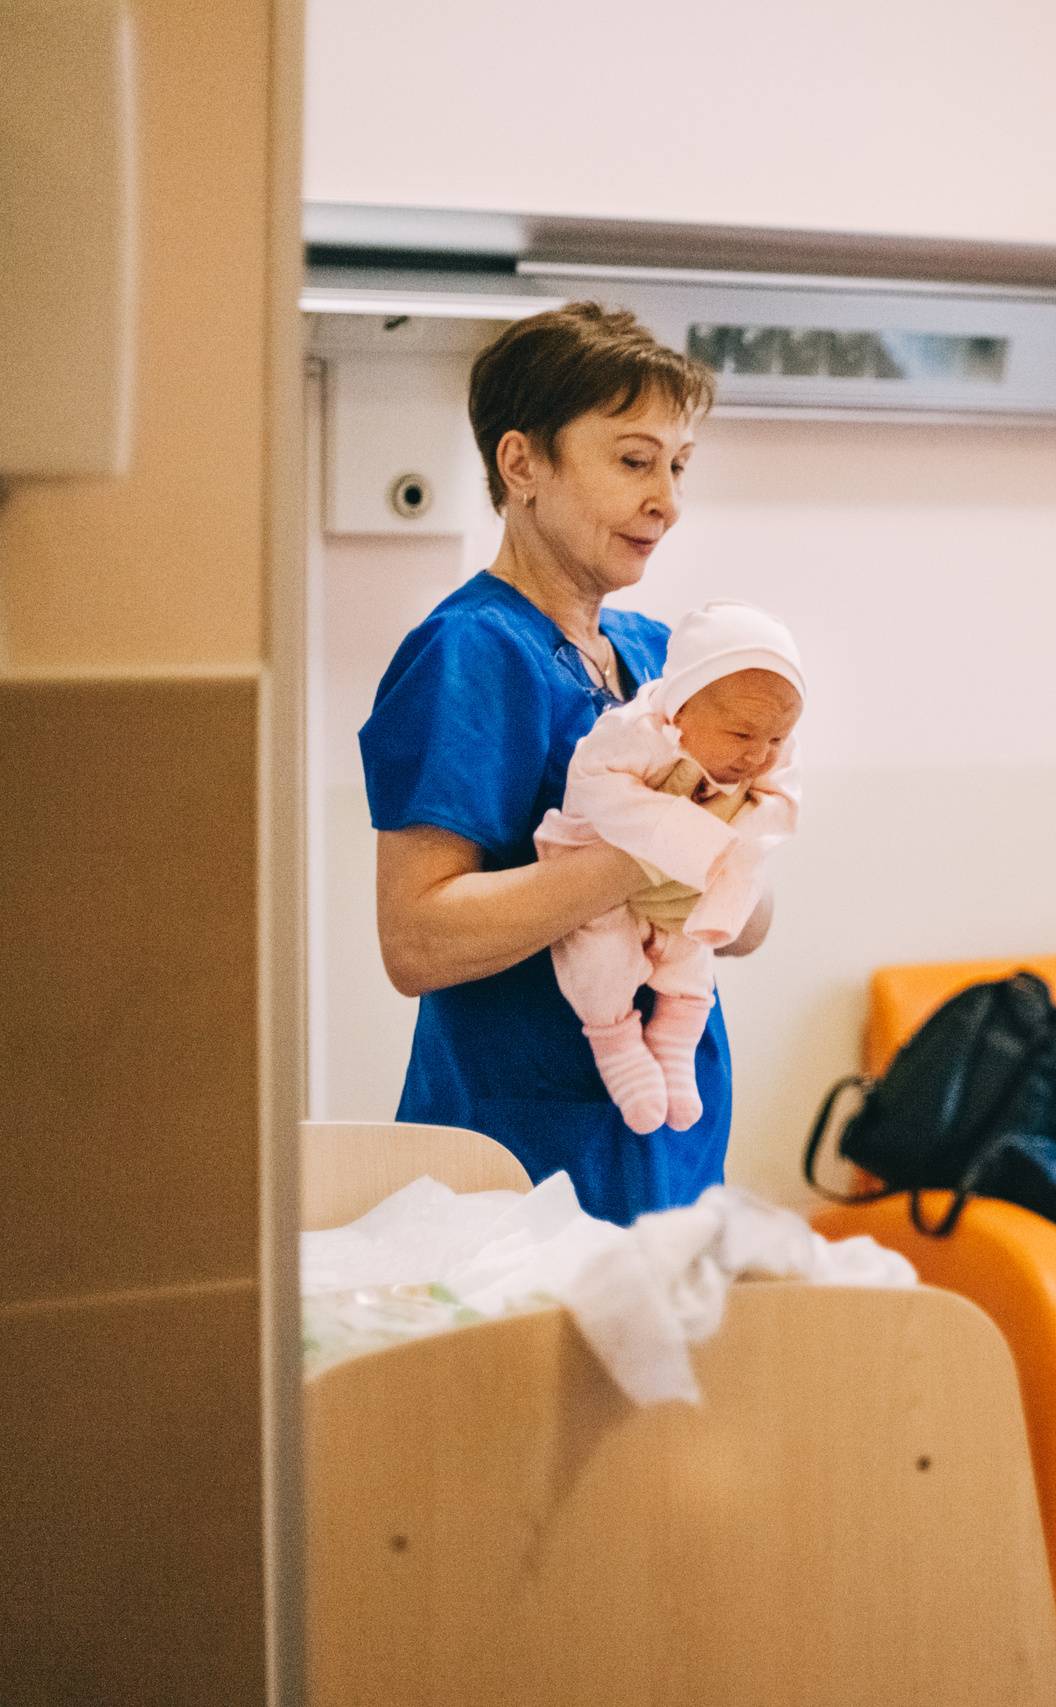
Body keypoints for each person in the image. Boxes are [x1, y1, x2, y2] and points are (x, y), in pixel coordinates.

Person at [360, 302, 747, 1225]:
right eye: (634, 460)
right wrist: (649, 848)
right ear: (522, 462)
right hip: (529, 1149)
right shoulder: (469, 654)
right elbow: (416, 939)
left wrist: (744, 841)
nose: (668, 501)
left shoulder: (660, 656)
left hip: (670, 1124)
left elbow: (746, 918)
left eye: (678, 466)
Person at [535, 602, 803, 1136]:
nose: (759, 757)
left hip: (693, 880)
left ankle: (675, 1037)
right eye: (742, 736)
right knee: (600, 952)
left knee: (690, 949)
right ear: (681, 713)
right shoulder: (633, 731)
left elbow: (781, 804)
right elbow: (599, 789)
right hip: (598, 861)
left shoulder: (759, 731)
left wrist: (733, 866)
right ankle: (615, 1040)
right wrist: (693, 838)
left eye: (777, 738)